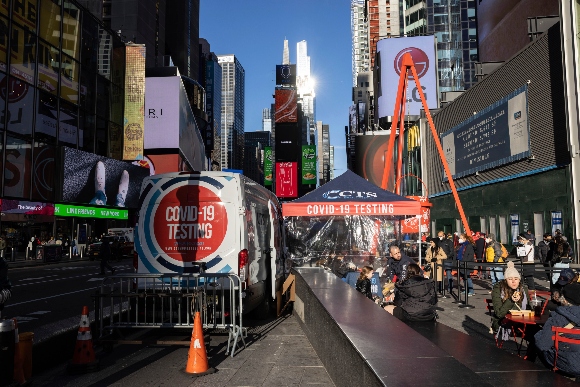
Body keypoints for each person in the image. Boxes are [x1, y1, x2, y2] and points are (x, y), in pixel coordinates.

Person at [491, 261, 530, 333]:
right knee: (532, 333)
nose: (513, 281)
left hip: (522, 320)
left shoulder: (523, 289)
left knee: (539, 330)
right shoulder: (498, 289)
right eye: (510, 279)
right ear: (505, 280)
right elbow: (499, 314)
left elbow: (529, 308)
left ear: (519, 280)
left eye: (516, 278)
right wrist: (511, 300)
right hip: (503, 321)